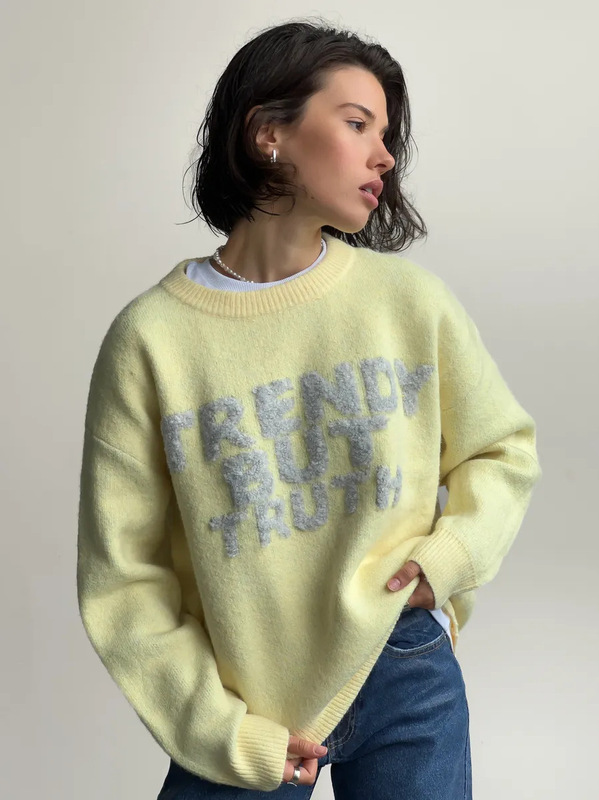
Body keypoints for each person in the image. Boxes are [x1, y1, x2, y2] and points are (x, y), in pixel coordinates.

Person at [76, 17, 541, 799]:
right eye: (357, 124)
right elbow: (124, 579)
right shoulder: (151, 339)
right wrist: (220, 731)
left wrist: (448, 561)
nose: (383, 155)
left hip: (402, 667)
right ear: (268, 133)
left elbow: (501, 449)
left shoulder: (408, 302)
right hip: (243, 703)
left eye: (386, 134)